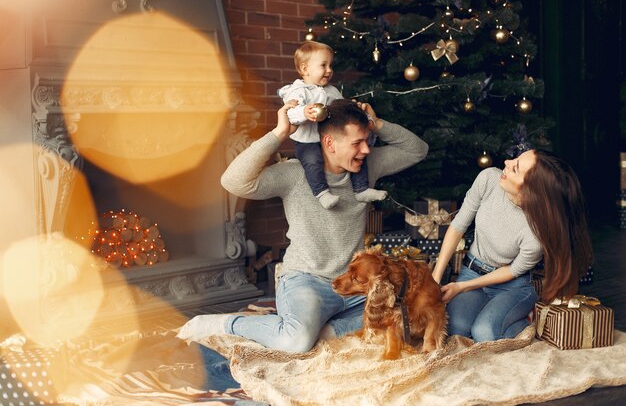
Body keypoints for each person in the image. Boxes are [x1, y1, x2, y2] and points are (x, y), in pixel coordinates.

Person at [177, 99, 429, 353]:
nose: (365, 149)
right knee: (295, 342)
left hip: (353, 284)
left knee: (405, 315)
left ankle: (325, 331)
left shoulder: (367, 168)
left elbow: (417, 150)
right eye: (357, 143)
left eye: (367, 141)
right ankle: (228, 323)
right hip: (306, 280)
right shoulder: (295, 174)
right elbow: (233, 181)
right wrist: (279, 133)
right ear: (330, 143)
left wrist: (378, 124)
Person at [431, 149, 594, 342]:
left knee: (484, 333)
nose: (507, 162)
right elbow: (458, 226)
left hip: (511, 286)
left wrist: (461, 287)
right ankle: (491, 314)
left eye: (515, 168)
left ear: (529, 191)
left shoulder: (536, 234)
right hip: (472, 271)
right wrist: (435, 278)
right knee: (455, 328)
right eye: (515, 158)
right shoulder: (488, 178)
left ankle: (526, 321)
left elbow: (513, 270)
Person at [278, 40, 387, 209]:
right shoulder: (297, 91)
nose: (329, 70)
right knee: (312, 161)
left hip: (331, 139)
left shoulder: (331, 90)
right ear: (305, 69)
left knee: (358, 153)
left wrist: (350, 107)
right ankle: (321, 193)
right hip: (308, 141)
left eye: (330, 65)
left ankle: (361, 189)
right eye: (323, 65)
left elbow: (340, 110)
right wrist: (303, 112)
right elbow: (290, 113)